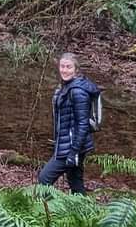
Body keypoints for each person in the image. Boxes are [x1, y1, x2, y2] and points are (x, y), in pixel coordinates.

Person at [37, 52, 94, 194]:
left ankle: (49, 211)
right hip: (68, 144)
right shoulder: (65, 87)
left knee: (44, 179)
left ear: (76, 69)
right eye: (62, 66)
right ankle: (85, 213)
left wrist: (73, 152)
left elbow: (82, 125)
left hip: (72, 147)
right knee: (75, 183)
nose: (64, 70)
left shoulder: (77, 91)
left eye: (69, 67)